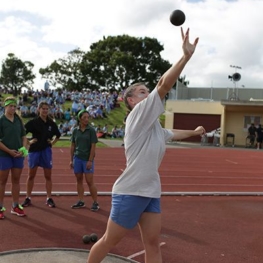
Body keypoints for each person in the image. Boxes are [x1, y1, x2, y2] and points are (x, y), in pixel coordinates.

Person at [87, 27, 205, 263]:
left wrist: (194, 131)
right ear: (131, 101)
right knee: (110, 240)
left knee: (152, 243)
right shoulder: (138, 115)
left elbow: (172, 134)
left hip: (150, 191)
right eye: (142, 92)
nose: (148, 93)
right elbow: (163, 85)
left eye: (146, 91)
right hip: (130, 191)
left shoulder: (154, 129)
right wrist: (185, 58)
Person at [22, 101, 61, 208]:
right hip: (34, 151)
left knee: (48, 176)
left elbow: (58, 135)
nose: (45, 111)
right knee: (31, 175)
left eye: (46, 109)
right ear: (39, 109)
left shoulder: (51, 124)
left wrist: (52, 143)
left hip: (46, 151)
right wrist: (29, 143)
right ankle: (28, 197)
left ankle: (49, 198)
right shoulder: (33, 122)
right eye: (43, 108)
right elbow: (22, 133)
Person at [0, 97, 28, 219]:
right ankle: (0, 207)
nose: (13, 108)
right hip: (4, 155)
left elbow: (24, 137)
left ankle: (15, 206)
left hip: (18, 155)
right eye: (10, 106)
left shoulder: (18, 120)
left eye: (14, 106)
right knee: (2, 182)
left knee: (16, 180)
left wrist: (23, 149)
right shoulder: (1, 121)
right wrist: (9, 151)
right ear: (5, 107)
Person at [69, 110, 99, 211]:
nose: (87, 119)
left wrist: (90, 160)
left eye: (88, 117)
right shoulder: (75, 130)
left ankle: (95, 202)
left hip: (87, 159)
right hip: (77, 158)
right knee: (79, 180)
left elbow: (93, 146)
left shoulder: (91, 130)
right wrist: (71, 159)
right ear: (79, 118)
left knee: (90, 181)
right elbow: (73, 145)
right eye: (84, 117)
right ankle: (81, 200)